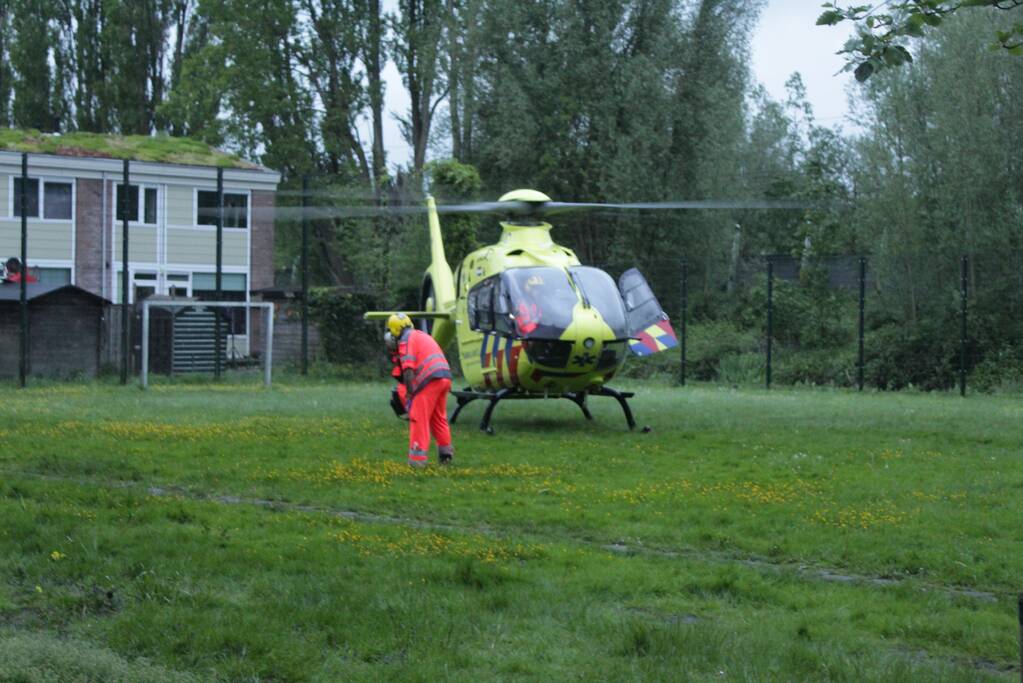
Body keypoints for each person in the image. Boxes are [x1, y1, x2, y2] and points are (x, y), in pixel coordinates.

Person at [387, 313, 454, 467]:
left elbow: (408, 370)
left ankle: (417, 461)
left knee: (418, 418)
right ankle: (446, 455)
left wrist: (410, 393)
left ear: (395, 330)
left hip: (429, 380)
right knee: (438, 418)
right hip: (444, 376)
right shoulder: (420, 335)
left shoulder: (405, 340)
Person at [385, 331, 409, 420]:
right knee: (396, 395)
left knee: (400, 394)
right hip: (403, 380)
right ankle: (408, 413)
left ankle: (411, 413)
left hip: (406, 381)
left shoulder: (403, 351)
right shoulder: (396, 353)